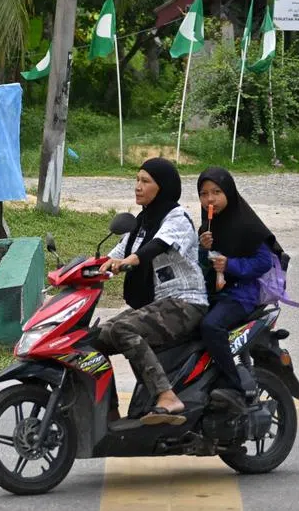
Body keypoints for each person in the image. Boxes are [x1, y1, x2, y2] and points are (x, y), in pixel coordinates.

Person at [96, 157, 209, 425]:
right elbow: (113, 256)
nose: (137, 186)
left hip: (185, 303)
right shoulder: (142, 222)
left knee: (123, 329)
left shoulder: (177, 219)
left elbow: (156, 246)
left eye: (145, 181)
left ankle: (167, 396)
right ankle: (108, 411)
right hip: (156, 305)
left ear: (163, 187)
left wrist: (128, 262)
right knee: (94, 339)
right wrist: (76, 271)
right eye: (137, 180)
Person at [196, 166, 278, 406]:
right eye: (204, 194)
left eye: (216, 192)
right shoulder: (207, 228)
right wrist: (202, 248)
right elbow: (202, 265)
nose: (210, 199)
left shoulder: (246, 225)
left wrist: (231, 265)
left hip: (241, 293)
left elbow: (264, 262)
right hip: (214, 292)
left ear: (229, 193)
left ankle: (234, 385)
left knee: (211, 326)